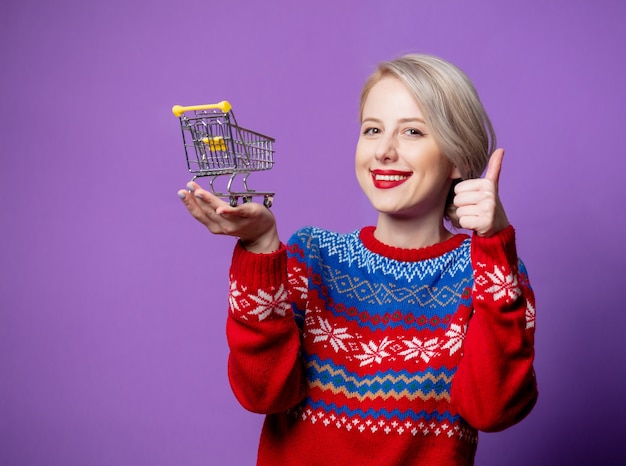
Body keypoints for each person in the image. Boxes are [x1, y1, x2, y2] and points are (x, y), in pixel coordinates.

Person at [177, 53, 537, 466]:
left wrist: (494, 247)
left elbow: (492, 410)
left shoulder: (488, 274)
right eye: (372, 130)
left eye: (413, 132)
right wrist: (260, 247)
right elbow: (262, 394)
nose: (384, 150)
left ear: (456, 158)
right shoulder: (312, 257)